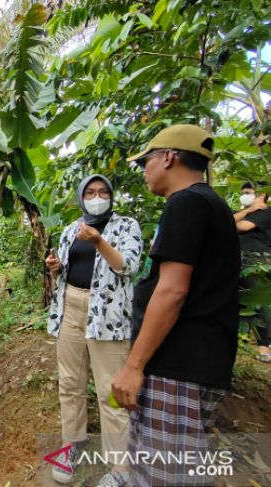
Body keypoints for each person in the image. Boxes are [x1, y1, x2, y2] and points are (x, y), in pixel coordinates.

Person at [112, 124, 240, 487]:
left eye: (145, 162)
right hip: (194, 361)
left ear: (168, 157)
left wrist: (134, 365)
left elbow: (171, 291)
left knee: (163, 475)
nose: (144, 171)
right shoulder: (209, 204)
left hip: (180, 366)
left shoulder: (186, 202)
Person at [45, 174, 143, 487]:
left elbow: (127, 266)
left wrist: (99, 241)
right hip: (71, 307)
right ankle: (71, 445)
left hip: (109, 316)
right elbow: (66, 268)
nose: (97, 196)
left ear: (112, 196)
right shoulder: (72, 228)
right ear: (81, 196)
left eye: (103, 192)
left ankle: (120, 468)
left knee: (111, 391)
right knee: (70, 383)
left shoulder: (127, 226)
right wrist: (55, 267)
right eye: (90, 192)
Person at [234, 182, 271, 362]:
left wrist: (249, 212)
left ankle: (265, 348)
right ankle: (241, 342)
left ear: (261, 195)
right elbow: (224, 223)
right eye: (243, 193)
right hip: (237, 260)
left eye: (248, 193)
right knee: (240, 302)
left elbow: (242, 227)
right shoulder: (242, 213)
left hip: (257, 261)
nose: (244, 196)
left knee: (259, 304)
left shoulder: (265, 213)